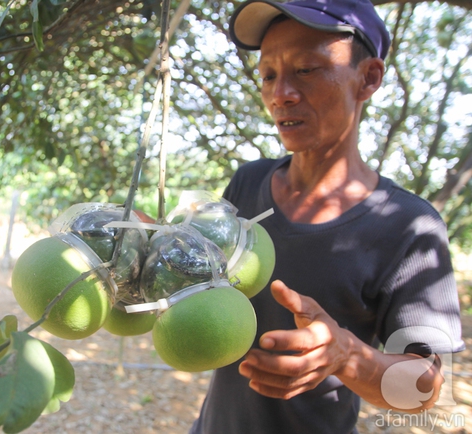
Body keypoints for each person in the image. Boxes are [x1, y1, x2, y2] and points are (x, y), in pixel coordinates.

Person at [189, 0, 465, 433]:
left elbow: (423, 390)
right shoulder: (247, 183)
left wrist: (346, 356)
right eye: (268, 75)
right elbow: (202, 284)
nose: (281, 94)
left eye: (306, 69)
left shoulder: (410, 226)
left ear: (368, 78)